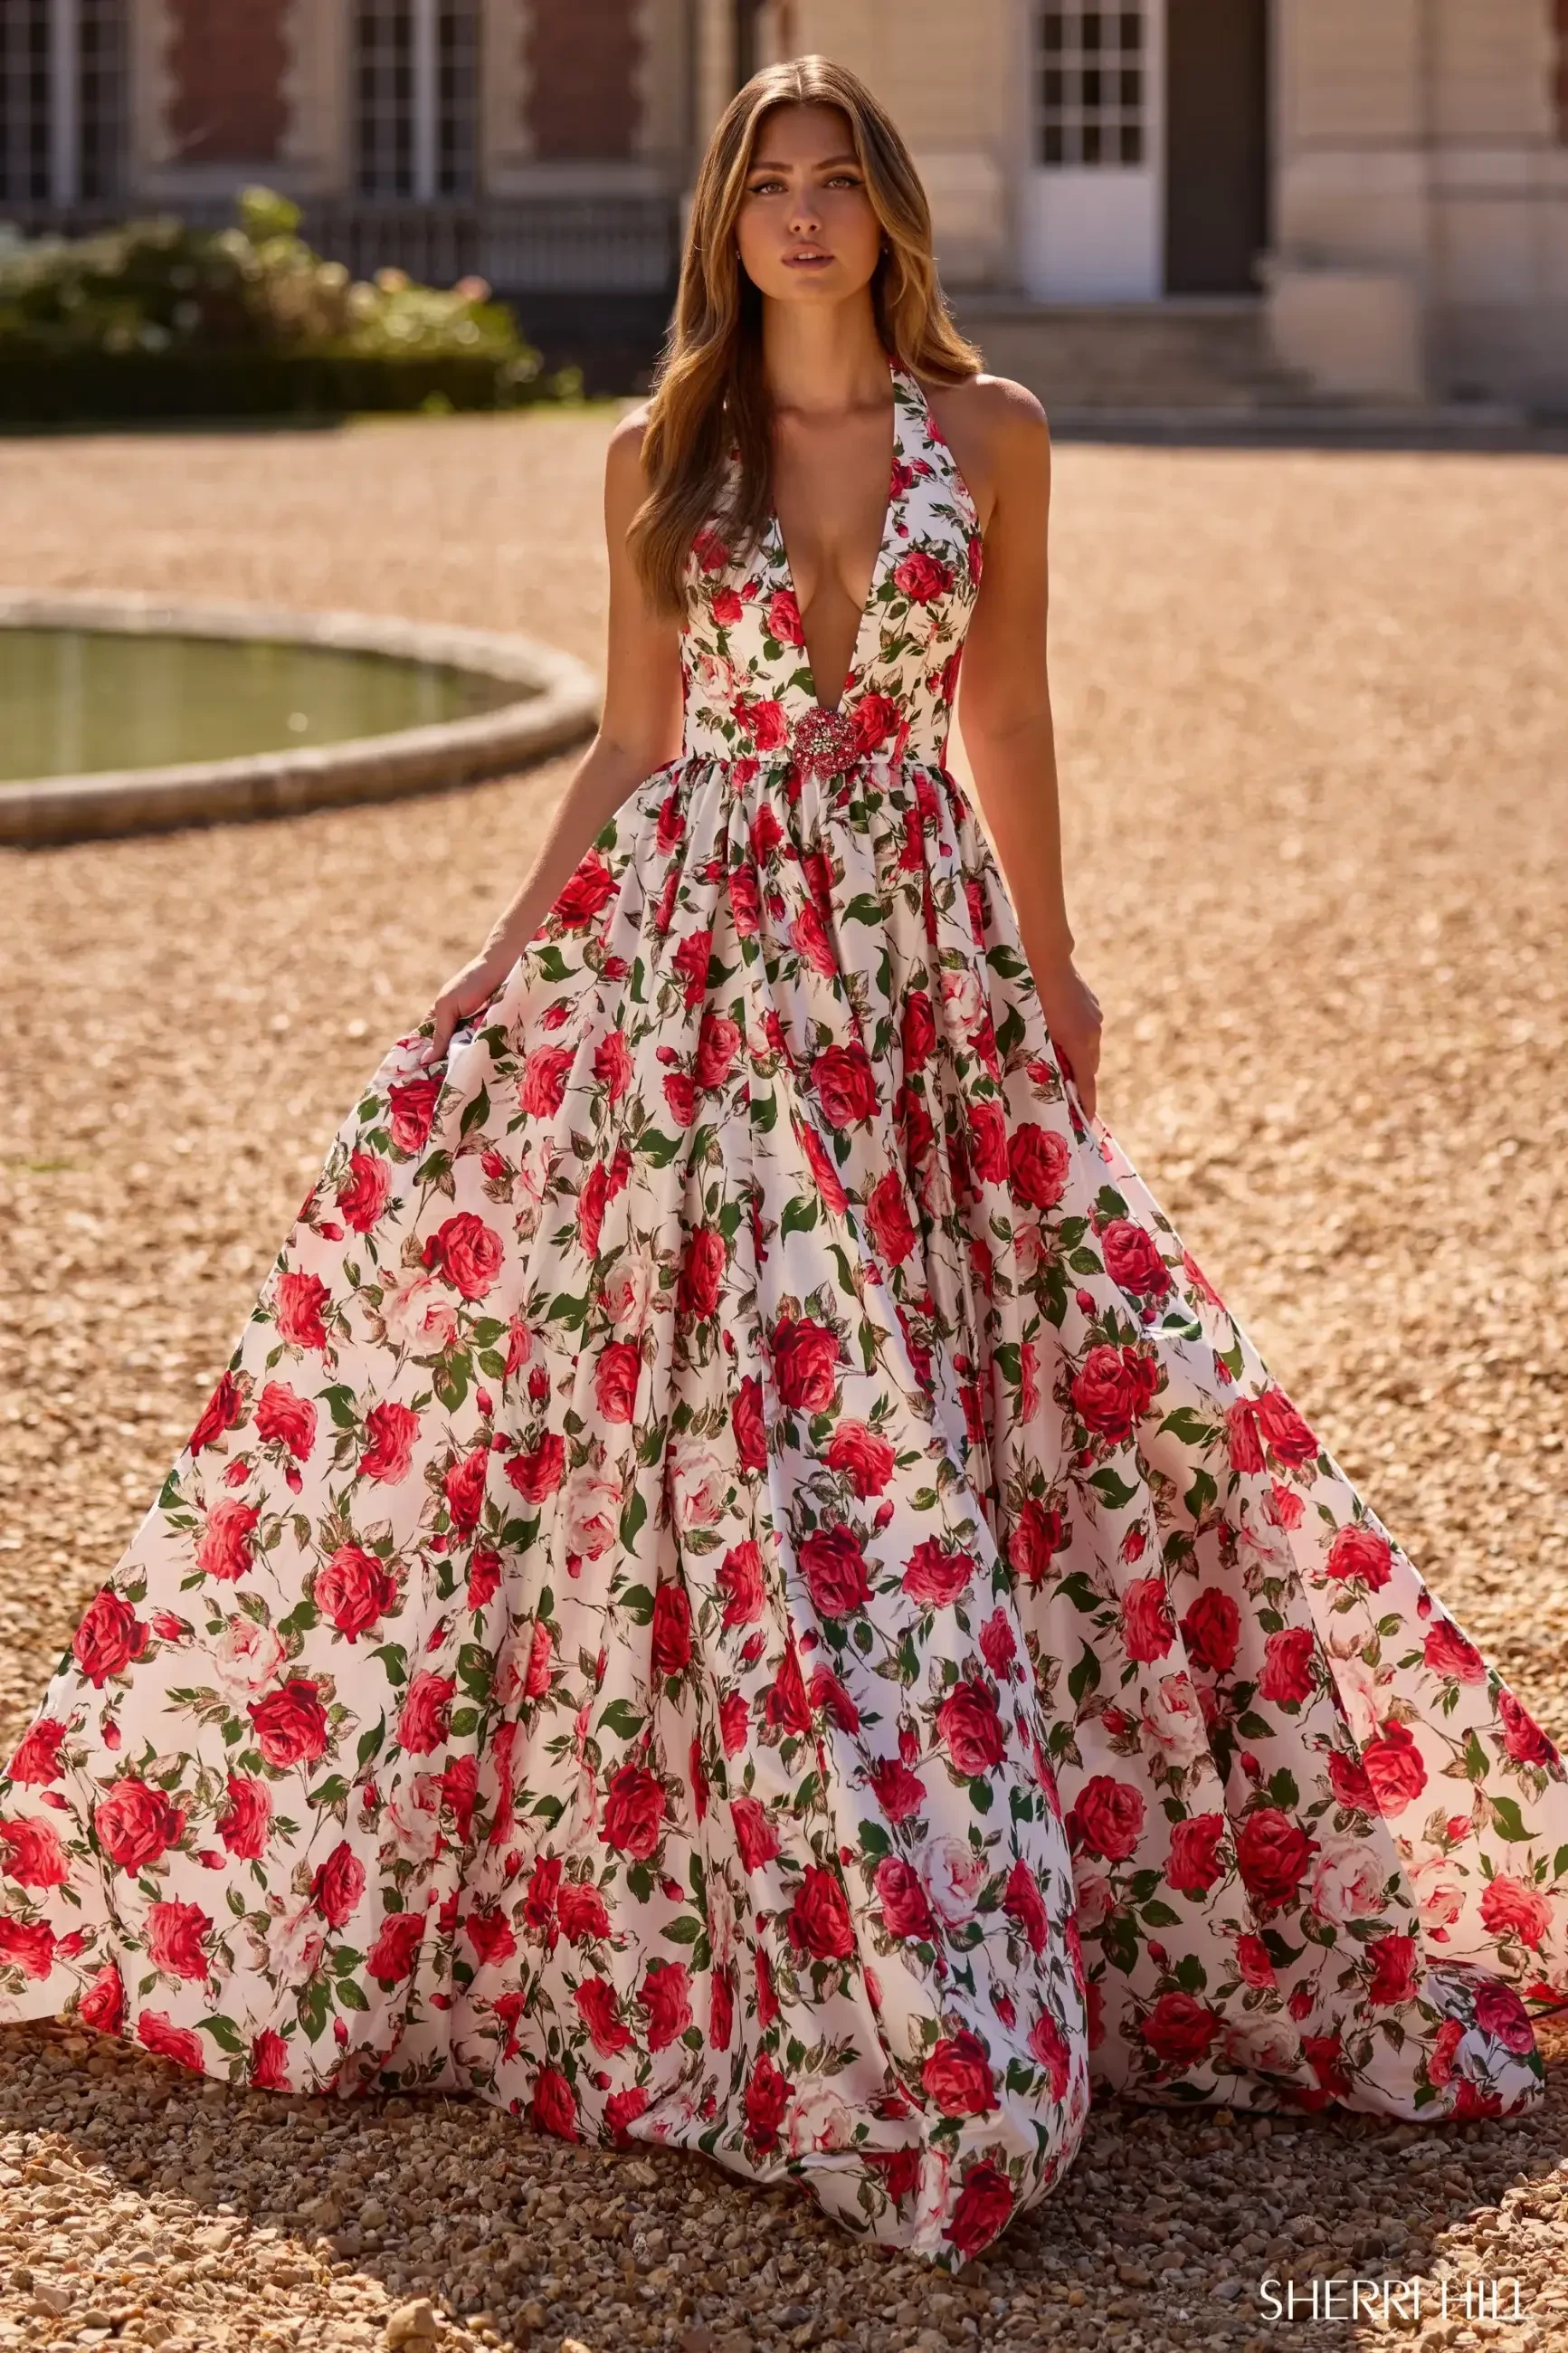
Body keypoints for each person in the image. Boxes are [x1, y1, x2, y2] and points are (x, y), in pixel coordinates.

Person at [2, 54, 1565, 2276]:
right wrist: (494, 961)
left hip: (912, 952)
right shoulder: (660, 451)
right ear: (725, 223)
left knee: (1006, 1361)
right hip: (705, 961)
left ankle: (1010, 1862)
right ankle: (762, 1895)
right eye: (768, 186)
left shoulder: (988, 434)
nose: (804, 216)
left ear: (886, 211)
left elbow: (1000, 710)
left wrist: (1056, 964)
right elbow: (634, 740)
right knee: (739, 1398)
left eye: (835, 180)